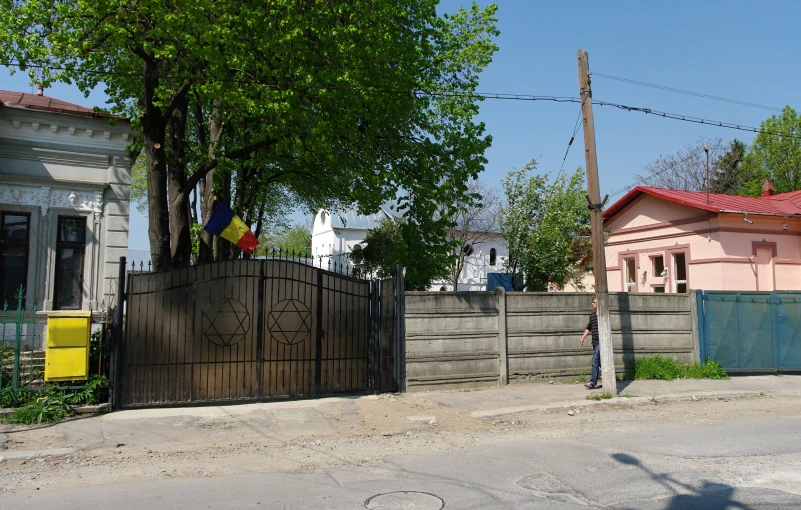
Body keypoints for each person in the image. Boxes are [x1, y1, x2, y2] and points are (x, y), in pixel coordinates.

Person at [579, 297, 601, 389]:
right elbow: (589, 327)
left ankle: (593, 382)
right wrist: (583, 338)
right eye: (592, 302)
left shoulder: (603, 315)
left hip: (601, 342)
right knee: (600, 362)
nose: (592, 304)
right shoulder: (592, 315)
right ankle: (608, 379)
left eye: (594, 302)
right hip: (595, 341)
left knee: (595, 360)